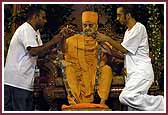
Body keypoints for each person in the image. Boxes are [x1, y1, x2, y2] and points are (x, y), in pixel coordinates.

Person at [96, 5, 164, 111]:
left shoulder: (139, 28)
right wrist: (110, 52)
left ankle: (162, 103)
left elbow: (124, 50)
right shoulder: (128, 32)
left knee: (125, 97)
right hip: (133, 75)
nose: (117, 18)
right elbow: (125, 54)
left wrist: (107, 38)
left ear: (128, 15)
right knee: (133, 108)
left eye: (119, 15)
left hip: (141, 73)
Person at [4, 7, 65, 111]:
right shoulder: (26, 29)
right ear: (34, 17)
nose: (45, 21)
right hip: (16, 82)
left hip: (24, 82)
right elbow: (33, 51)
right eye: (43, 18)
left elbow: (41, 52)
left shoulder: (35, 32)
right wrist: (53, 41)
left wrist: (56, 46)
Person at [62, 11, 113, 105]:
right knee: (68, 70)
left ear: (96, 27)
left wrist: (103, 45)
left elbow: (109, 57)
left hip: (96, 72)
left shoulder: (102, 40)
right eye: (85, 25)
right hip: (79, 71)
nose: (87, 28)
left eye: (90, 25)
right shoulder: (73, 40)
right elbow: (61, 53)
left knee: (107, 70)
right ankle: (76, 103)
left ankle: (102, 104)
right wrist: (63, 61)